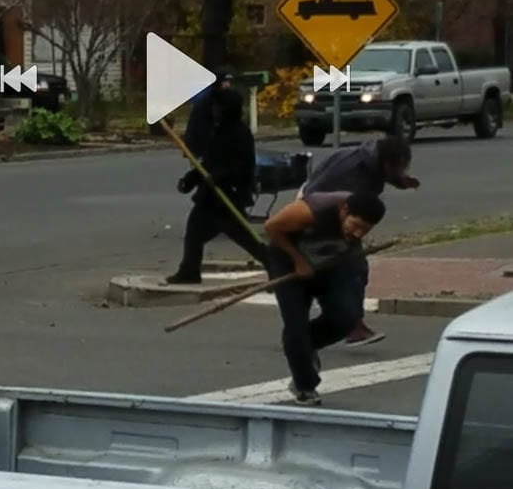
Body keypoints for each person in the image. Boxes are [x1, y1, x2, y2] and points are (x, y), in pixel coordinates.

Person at [264, 190, 386, 405]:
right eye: (355, 225)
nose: (358, 233)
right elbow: (271, 228)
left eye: (364, 230)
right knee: (295, 325)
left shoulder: (353, 235)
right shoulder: (310, 211)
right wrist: (298, 261)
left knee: (347, 316)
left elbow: (356, 272)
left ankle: (305, 345)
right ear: (344, 211)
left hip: (331, 262)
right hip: (289, 261)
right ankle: (305, 385)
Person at [300, 138, 420, 346]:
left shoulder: (372, 162)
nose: (401, 171)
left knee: (350, 270)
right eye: (400, 167)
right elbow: (314, 195)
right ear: (387, 162)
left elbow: (382, 179)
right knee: (350, 269)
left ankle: (349, 323)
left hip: (347, 222)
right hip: (321, 220)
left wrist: (401, 181)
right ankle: (350, 326)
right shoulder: (352, 168)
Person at [166, 86, 266, 284]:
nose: (214, 110)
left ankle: (275, 265)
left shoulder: (240, 133)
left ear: (228, 108)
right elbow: (207, 164)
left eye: (218, 106)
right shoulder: (218, 131)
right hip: (211, 197)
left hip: (229, 195)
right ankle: (189, 270)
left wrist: (219, 178)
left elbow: (242, 167)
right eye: (214, 106)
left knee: (245, 238)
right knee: (194, 230)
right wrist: (191, 179)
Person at [182, 71, 234, 159]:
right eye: (225, 82)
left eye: (228, 82)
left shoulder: (213, 96)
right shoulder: (211, 98)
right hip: (202, 139)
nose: (227, 85)